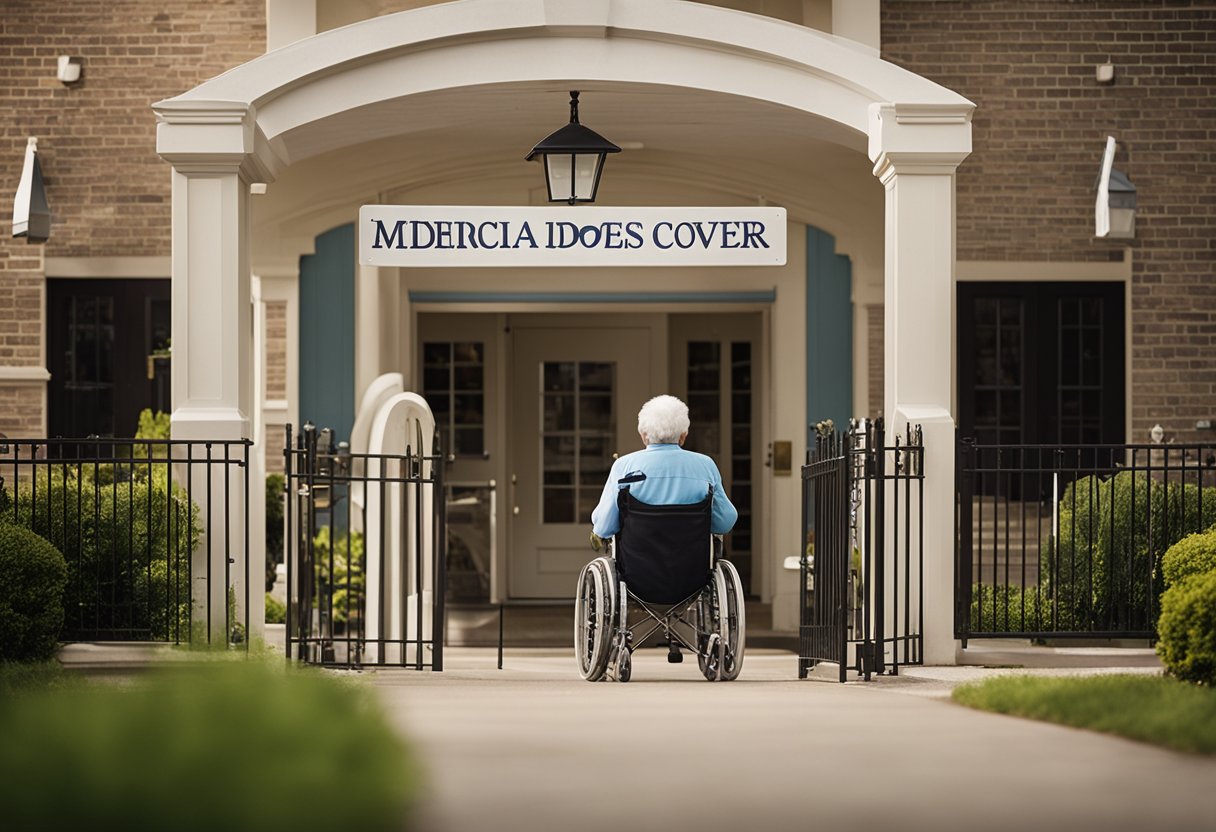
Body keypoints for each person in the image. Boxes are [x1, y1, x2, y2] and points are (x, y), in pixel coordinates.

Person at [590, 394, 737, 547]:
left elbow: (604, 527)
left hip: (637, 566)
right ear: (683, 436)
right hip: (692, 564)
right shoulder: (706, 465)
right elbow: (725, 521)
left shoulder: (624, 466)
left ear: (644, 435)